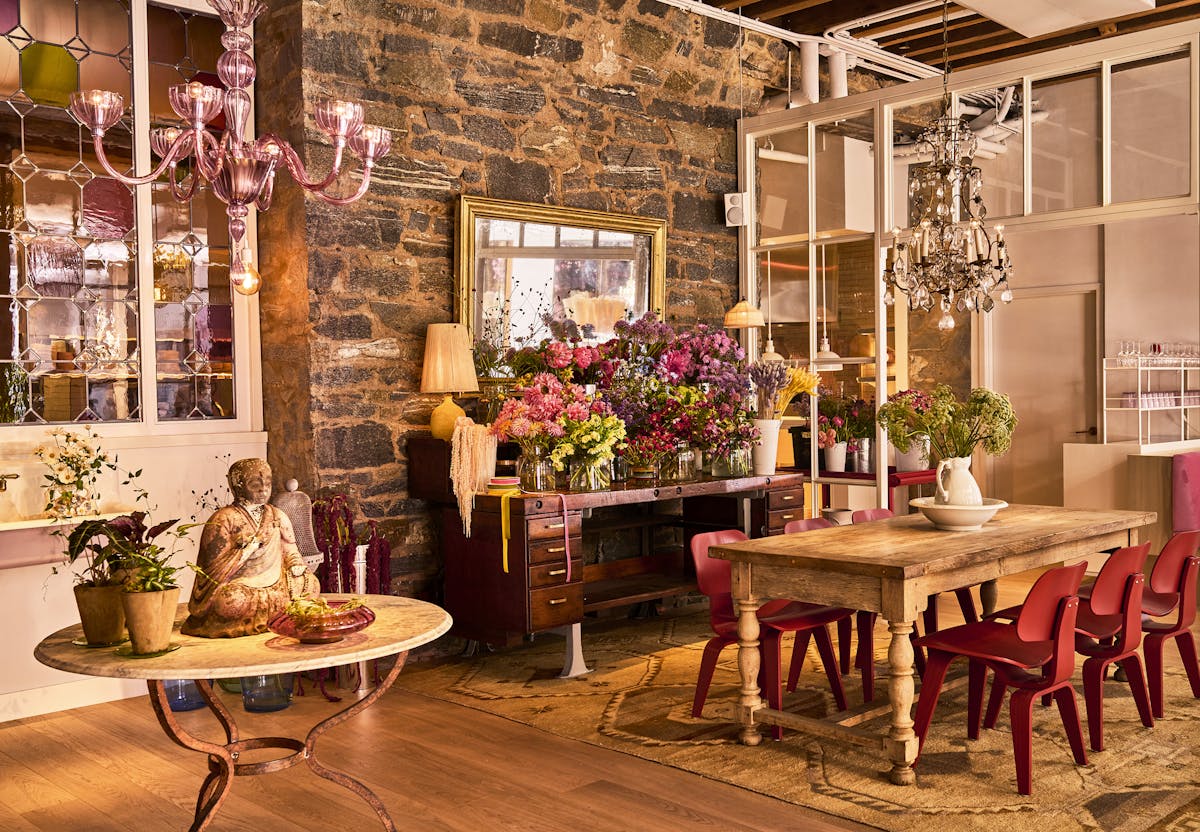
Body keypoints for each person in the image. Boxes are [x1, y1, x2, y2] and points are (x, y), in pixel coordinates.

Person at [182, 458, 320, 638]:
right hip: (242, 585)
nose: (263, 489)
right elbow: (210, 572)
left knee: (311, 584)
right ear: (238, 486)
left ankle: (278, 611)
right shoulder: (223, 519)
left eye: (268, 483)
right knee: (229, 601)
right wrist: (245, 552)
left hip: (276, 582)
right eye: (255, 484)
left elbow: (290, 550)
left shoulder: (277, 515)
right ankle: (273, 612)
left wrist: (295, 564)